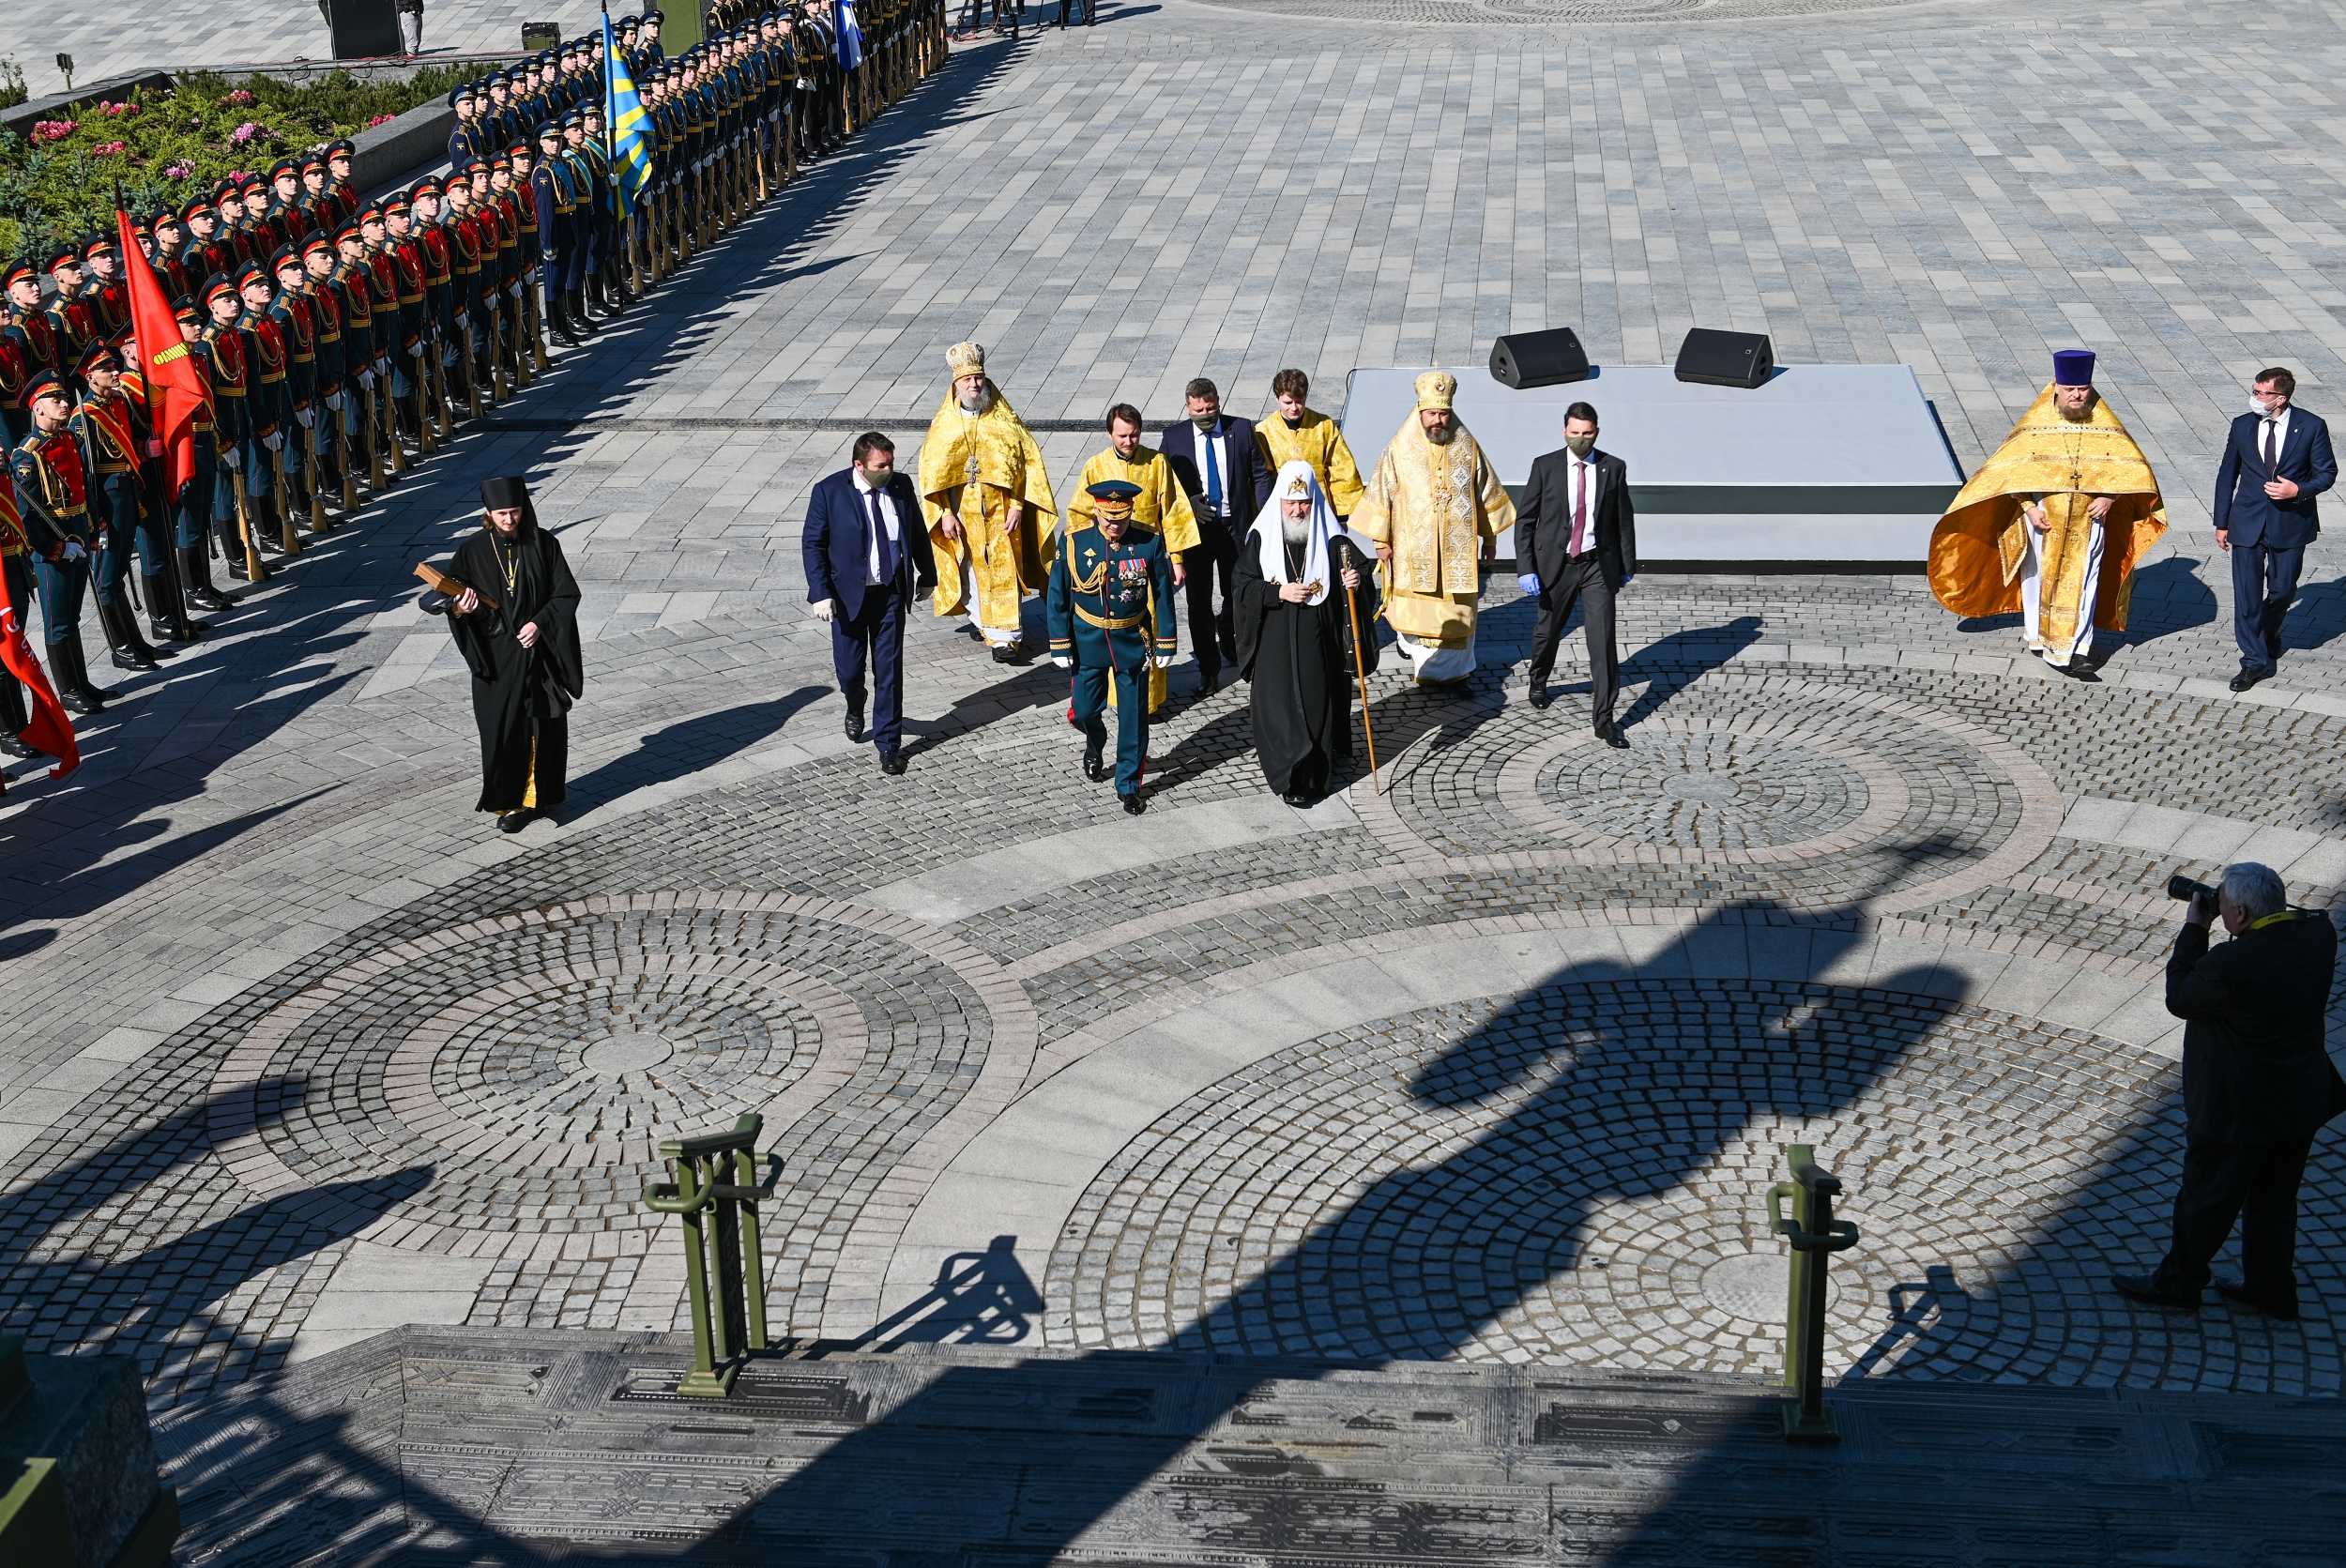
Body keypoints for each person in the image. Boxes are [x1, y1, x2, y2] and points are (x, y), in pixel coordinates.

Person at [2113, 863, 2345, 1318]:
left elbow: (2180, 996)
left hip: (2238, 1108)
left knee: (2206, 1197)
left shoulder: (2230, 964)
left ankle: (2179, 1283)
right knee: (2274, 1200)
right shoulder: (2319, 935)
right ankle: (2271, 1288)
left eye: (2222, 904)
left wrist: (2196, 929)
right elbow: (2282, 928)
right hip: (2298, 1099)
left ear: (2238, 913)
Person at [1927, 349, 2167, 679]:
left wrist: (2109, 497)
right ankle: (2038, 635)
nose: (2077, 395)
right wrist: (2028, 507)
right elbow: (2009, 471)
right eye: (2070, 389)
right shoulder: (2036, 425)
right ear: (2056, 386)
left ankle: (2076, 651)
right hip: (2043, 517)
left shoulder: (2106, 425)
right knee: (2036, 579)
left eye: (2082, 389)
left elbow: (2130, 469)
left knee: (2084, 582)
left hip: (2088, 521)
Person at [1348, 370, 1514, 686]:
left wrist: (1490, 539)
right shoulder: (1399, 447)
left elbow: (1485, 491)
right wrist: (1380, 541)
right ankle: (1424, 668)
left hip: (1456, 553)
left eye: (1443, 414)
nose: (1438, 420)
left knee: (1459, 613)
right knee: (1417, 614)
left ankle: (1458, 673)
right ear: (1420, 411)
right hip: (1413, 551)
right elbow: (1381, 491)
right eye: (1432, 413)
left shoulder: (1467, 446)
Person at [439, 475, 582, 832]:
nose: (509, 519)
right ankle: (508, 800)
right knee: (502, 733)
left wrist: (540, 624)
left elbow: (566, 594)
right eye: (501, 513)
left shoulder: (544, 544)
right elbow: (450, 597)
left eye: (514, 512)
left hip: (537, 658)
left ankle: (536, 798)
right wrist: (461, 608)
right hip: (496, 660)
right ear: (488, 513)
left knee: (540, 730)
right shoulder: (472, 551)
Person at [1235, 462, 1377, 806]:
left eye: (1304, 503)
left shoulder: (1332, 538)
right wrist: (1277, 592)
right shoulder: (1262, 536)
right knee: (1279, 708)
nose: (1297, 511)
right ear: (1279, 502)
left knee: (1316, 704)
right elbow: (1241, 586)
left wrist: (1354, 582)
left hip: (1318, 640)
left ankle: (1313, 776)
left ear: (1314, 501)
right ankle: (1288, 773)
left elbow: (1357, 571)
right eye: (1291, 503)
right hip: (1274, 640)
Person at [803, 431, 937, 774]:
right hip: (847, 598)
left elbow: (916, 531)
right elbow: (813, 544)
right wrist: (820, 592)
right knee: (850, 670)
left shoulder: (901, 486)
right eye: (881, 466)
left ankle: (889, 744)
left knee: (889, 671)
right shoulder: (829, 492)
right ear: (859, 465)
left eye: (891, 463)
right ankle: (855, 701)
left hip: (890, 593)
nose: (889, 470)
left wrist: (928, 574)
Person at [916, 341, 1056, 662]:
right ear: (956, 384)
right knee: (972, 570)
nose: (974, 385)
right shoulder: (944, 425)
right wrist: (945, 513)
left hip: (1002, 510)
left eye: (978, 378)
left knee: (1004, 567)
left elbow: (1026, 464)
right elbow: (932, 472)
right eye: (967, 380)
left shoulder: (1004, 420)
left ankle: (1006, 637)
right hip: (962, 512)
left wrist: (1018, 506)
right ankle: (984, 623)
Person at [1047, 479, 1177, 815]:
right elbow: (1058, 593)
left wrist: (1166, 641)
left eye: (1121, 518)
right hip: (1088, 640)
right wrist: (1059, 643)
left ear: (1130, 512)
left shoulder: (1149, 542)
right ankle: (1095, 740)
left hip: (1131, 640)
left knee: (1134, 718)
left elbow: (1163, 595)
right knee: (1084, 711)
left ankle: (1129, 784)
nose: (1114, 526)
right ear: (1096, 511)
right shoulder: (1075, 542)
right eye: (1108, 519)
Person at [1516, 401, 1635, 746]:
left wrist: (1626, 565)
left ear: (1597, 432)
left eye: (1587, 433)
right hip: (1557, 565)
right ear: (1564, 431)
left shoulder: (1613, 467)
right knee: (1548, 632)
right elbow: (1526, 520)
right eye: (1574, 433)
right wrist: (1526, 568)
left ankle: (1604, 720)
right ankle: (1538, 680)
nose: (1580, 439)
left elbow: (1623, 519)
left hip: (1597, 565)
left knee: (1602, 641)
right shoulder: (1545, 466)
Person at [1065, 403, 1197, 707]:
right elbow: (1078, 516)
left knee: (1148, 625)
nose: (1129, 441)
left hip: (1146, 557)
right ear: (1109, 434)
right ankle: (1116, 697)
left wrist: (1177, 558)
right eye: (1122, 436)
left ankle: (1148, 700)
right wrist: (1084, 559)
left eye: (1134, 435)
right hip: (1108, 559)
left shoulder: (1157, 463)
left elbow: (1173, 511)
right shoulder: (1095, 466)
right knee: (1114, 625)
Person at [2212, 367, 2335, 692]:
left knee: (2283, 590)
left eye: (2261, 393)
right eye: (2254, 391)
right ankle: (2254, 661)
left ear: (2280, 398)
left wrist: (2297, 490)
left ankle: (2268, 633)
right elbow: (2227, 474)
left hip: (2290, 523)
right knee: (2247, 596)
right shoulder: (2242, 425)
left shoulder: (2311, 426)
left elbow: (2327, 473)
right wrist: (2221, 522)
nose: (2254, 398)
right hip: (2246, 522)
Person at [1159, 377, 1265, 695]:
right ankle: (1208, 669)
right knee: (1198, 602)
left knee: (1240, 594)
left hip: (1236, 528)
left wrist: (1263, 519)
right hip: (1197, 532)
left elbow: (1259, 473)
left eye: (1210, 408)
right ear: (1188, 407)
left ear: (1218, 402)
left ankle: (1236, 645)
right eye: (1199, 410)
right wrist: (1189, 503)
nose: (1206, 414)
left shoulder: (1241, 429)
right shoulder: (1174, 438)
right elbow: (1165, 483)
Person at [13, 373, 107, 713]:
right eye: (56, 400)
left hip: (77, 533)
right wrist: (55, 548)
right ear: (38, 409)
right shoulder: (27, 456)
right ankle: (68, 689)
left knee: (73, 615)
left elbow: (84, 485)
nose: (65, 404)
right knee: (59, 621)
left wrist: (93, 529)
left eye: (65, 399)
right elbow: (27, 517)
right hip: (55, 547)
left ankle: (82, 682)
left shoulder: (67, 438)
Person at [1253, 367, 1363, 518]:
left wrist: (1343, 512)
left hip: (1320, 505)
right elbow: (1261, 477)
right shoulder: (1264, 431)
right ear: (1277, 398)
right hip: (1284, 507)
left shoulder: (1324, 425)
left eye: (1299, 401)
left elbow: (1342, 469)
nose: (1294, 408)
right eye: (1288, 402)